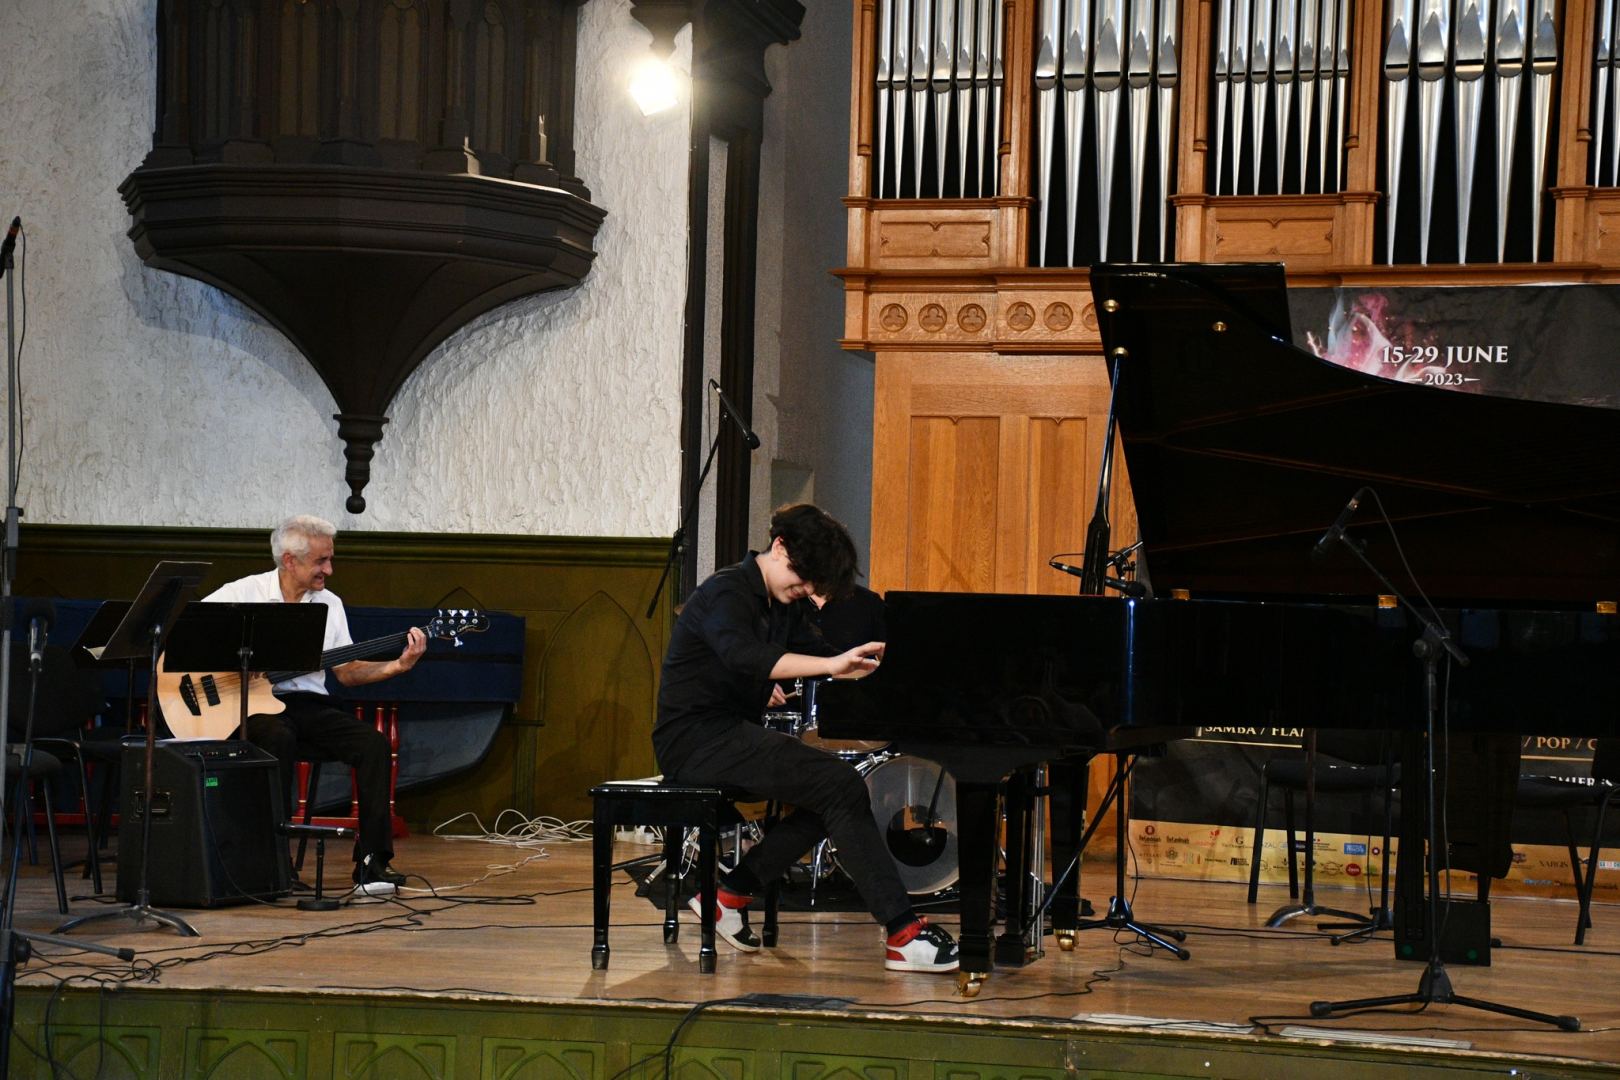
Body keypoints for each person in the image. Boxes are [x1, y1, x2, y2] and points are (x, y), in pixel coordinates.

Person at [653, 504, 959, 972]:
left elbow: (818, 652)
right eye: (802, 580)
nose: (806, 592)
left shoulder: (783, 603)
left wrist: (877, 663)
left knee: (836, 792)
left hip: (729, 735)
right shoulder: (725, 591)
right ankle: (902, 934)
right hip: (694, 740)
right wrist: (831, 665)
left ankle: (730, 896)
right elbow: (746, 657)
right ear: (779, 547)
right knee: (841, 786)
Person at [203, 515, 426, 895]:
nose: (330, 569)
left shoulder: (329, 604)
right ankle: (273, 866)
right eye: (321, 561)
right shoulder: (243, 593)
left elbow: (347, 673)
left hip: (306, 704)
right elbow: (189, 634)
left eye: (330, 559)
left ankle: (373, 863)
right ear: (290, 560)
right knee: (277, 736)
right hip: (247, 705)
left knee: (372, 744)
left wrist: (397, 666)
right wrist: (233, 661)